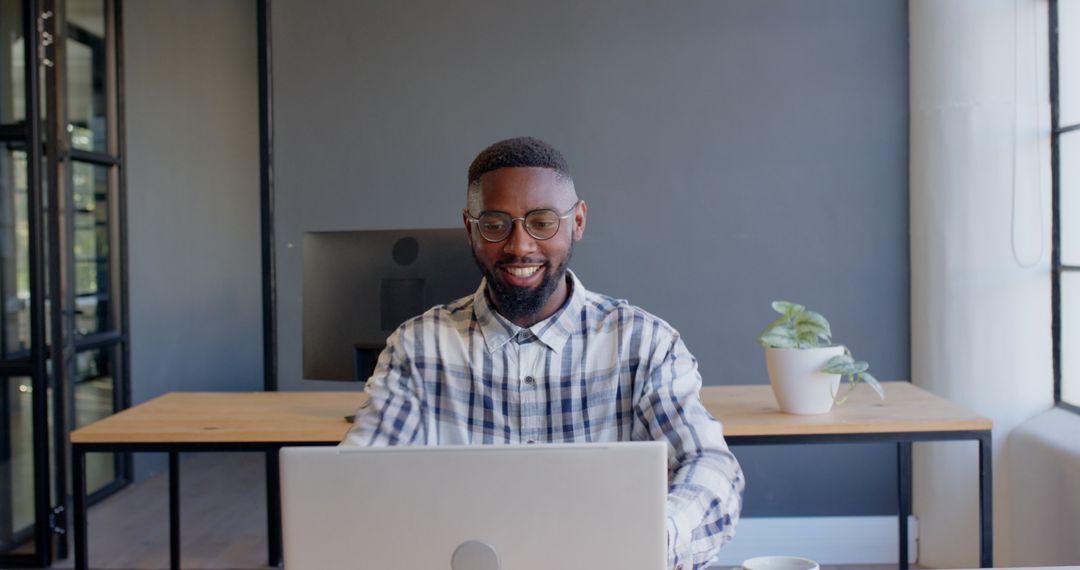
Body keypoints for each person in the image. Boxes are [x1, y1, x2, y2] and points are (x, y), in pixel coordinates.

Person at [342, 136, 744, 569]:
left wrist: (651, 539)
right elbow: (358, 479)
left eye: (542, 221)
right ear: (470, 228)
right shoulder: (419, 348)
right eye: (496, 224)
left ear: (578, 222)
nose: (520, 246)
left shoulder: (643, 344)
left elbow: (710, 466)